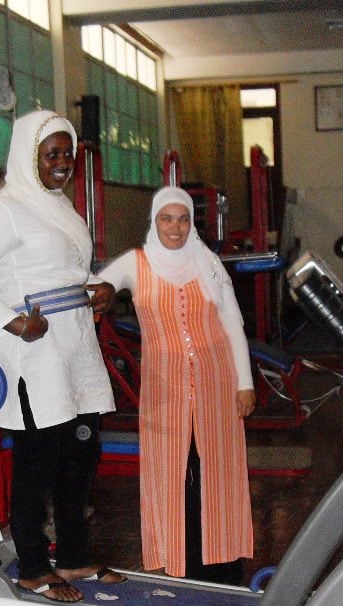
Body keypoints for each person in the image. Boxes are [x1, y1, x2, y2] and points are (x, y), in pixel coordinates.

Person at [0, 109, 124, 603]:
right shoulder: (3, 209)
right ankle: (31, 565)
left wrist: (99, 288)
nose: (63, 162)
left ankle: (72, 555)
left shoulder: (62, 207)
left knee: (81, 455)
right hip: (34, 352)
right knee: (38, 461)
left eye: (68, 153)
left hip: (75, 347)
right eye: (53, 154)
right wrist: (10, 321)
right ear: (29, 156)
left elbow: (66, 273)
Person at [99, 187, 255, 582]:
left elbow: (232, 324)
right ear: (154, 222)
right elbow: (94, 288)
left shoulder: (209, 263)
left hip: (217, 378)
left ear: (191, 223)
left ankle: (220, 556)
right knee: (169, 467)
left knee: (215, 466)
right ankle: (176, 554)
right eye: (167, 219)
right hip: (164, 386)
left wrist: (245, 383)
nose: (175, 227)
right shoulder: (136, 263)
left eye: (183, 219)